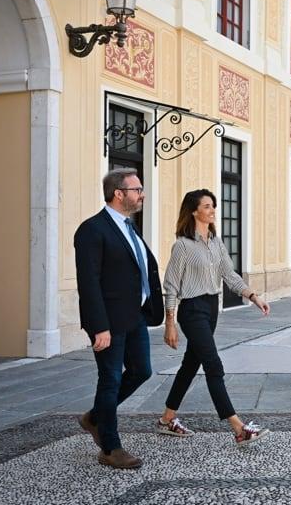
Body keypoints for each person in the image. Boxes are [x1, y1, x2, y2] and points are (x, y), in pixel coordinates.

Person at [159, 189, 272, 446]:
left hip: (211, 308)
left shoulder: (216, 242)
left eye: (213, 206)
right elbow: (171, 286)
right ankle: (239, 429)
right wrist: (170, 323)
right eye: (207, 206)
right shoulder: (182, 245)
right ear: (193, 211)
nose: (212, 210)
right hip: (191, 310)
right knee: (213, 365)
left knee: (190, 365)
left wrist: (254, 296)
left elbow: (229, 275)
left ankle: (167, 419)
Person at [74, 168, 164, 469]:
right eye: (137, 190)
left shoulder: (128, 226)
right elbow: (89, 283)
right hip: (109, 321)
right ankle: (110, 448)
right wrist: (99, 327)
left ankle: (95, 417)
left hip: (134, 315)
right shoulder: (92, 230)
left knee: (142, 371)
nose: (142, 195)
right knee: (111, 379)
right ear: (118, 194)